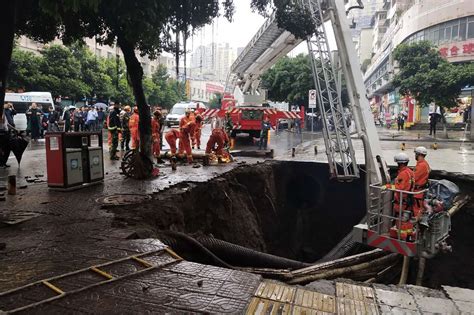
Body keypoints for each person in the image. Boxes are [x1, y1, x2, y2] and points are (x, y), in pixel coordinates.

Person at [413, 146, 430, 218]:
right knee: (419, 207)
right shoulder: (424, 164)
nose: (415, 155)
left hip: (418, 191)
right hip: (420, 190)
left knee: (416, 209)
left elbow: (414, 178)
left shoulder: (421, 165)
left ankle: (416, 224)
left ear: (419, 154)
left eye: (416, 154)